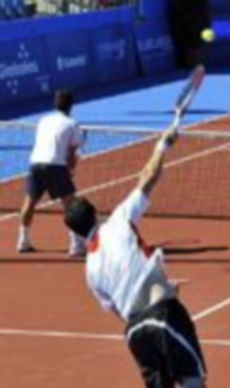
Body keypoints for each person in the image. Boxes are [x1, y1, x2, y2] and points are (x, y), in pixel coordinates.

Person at [63, 126, 207, 388]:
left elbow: (120, 308)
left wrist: (160, 287)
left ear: (75, 232)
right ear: (95, 213)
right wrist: (162, 145)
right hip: (163, 315)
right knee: (193, 381)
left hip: (135, 333)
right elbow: (148, 176)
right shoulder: (119, 220)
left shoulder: (90, 271)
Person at [17, 89, 86, 257]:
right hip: (56, 166)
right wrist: (70, 170)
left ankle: (23, 241)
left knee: (29, 203)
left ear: (55, 104)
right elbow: (71, 154)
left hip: (36, 164)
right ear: (71, 106)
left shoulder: (43, 120)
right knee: (70, 204)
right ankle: (76, 246)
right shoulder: (72, 124)